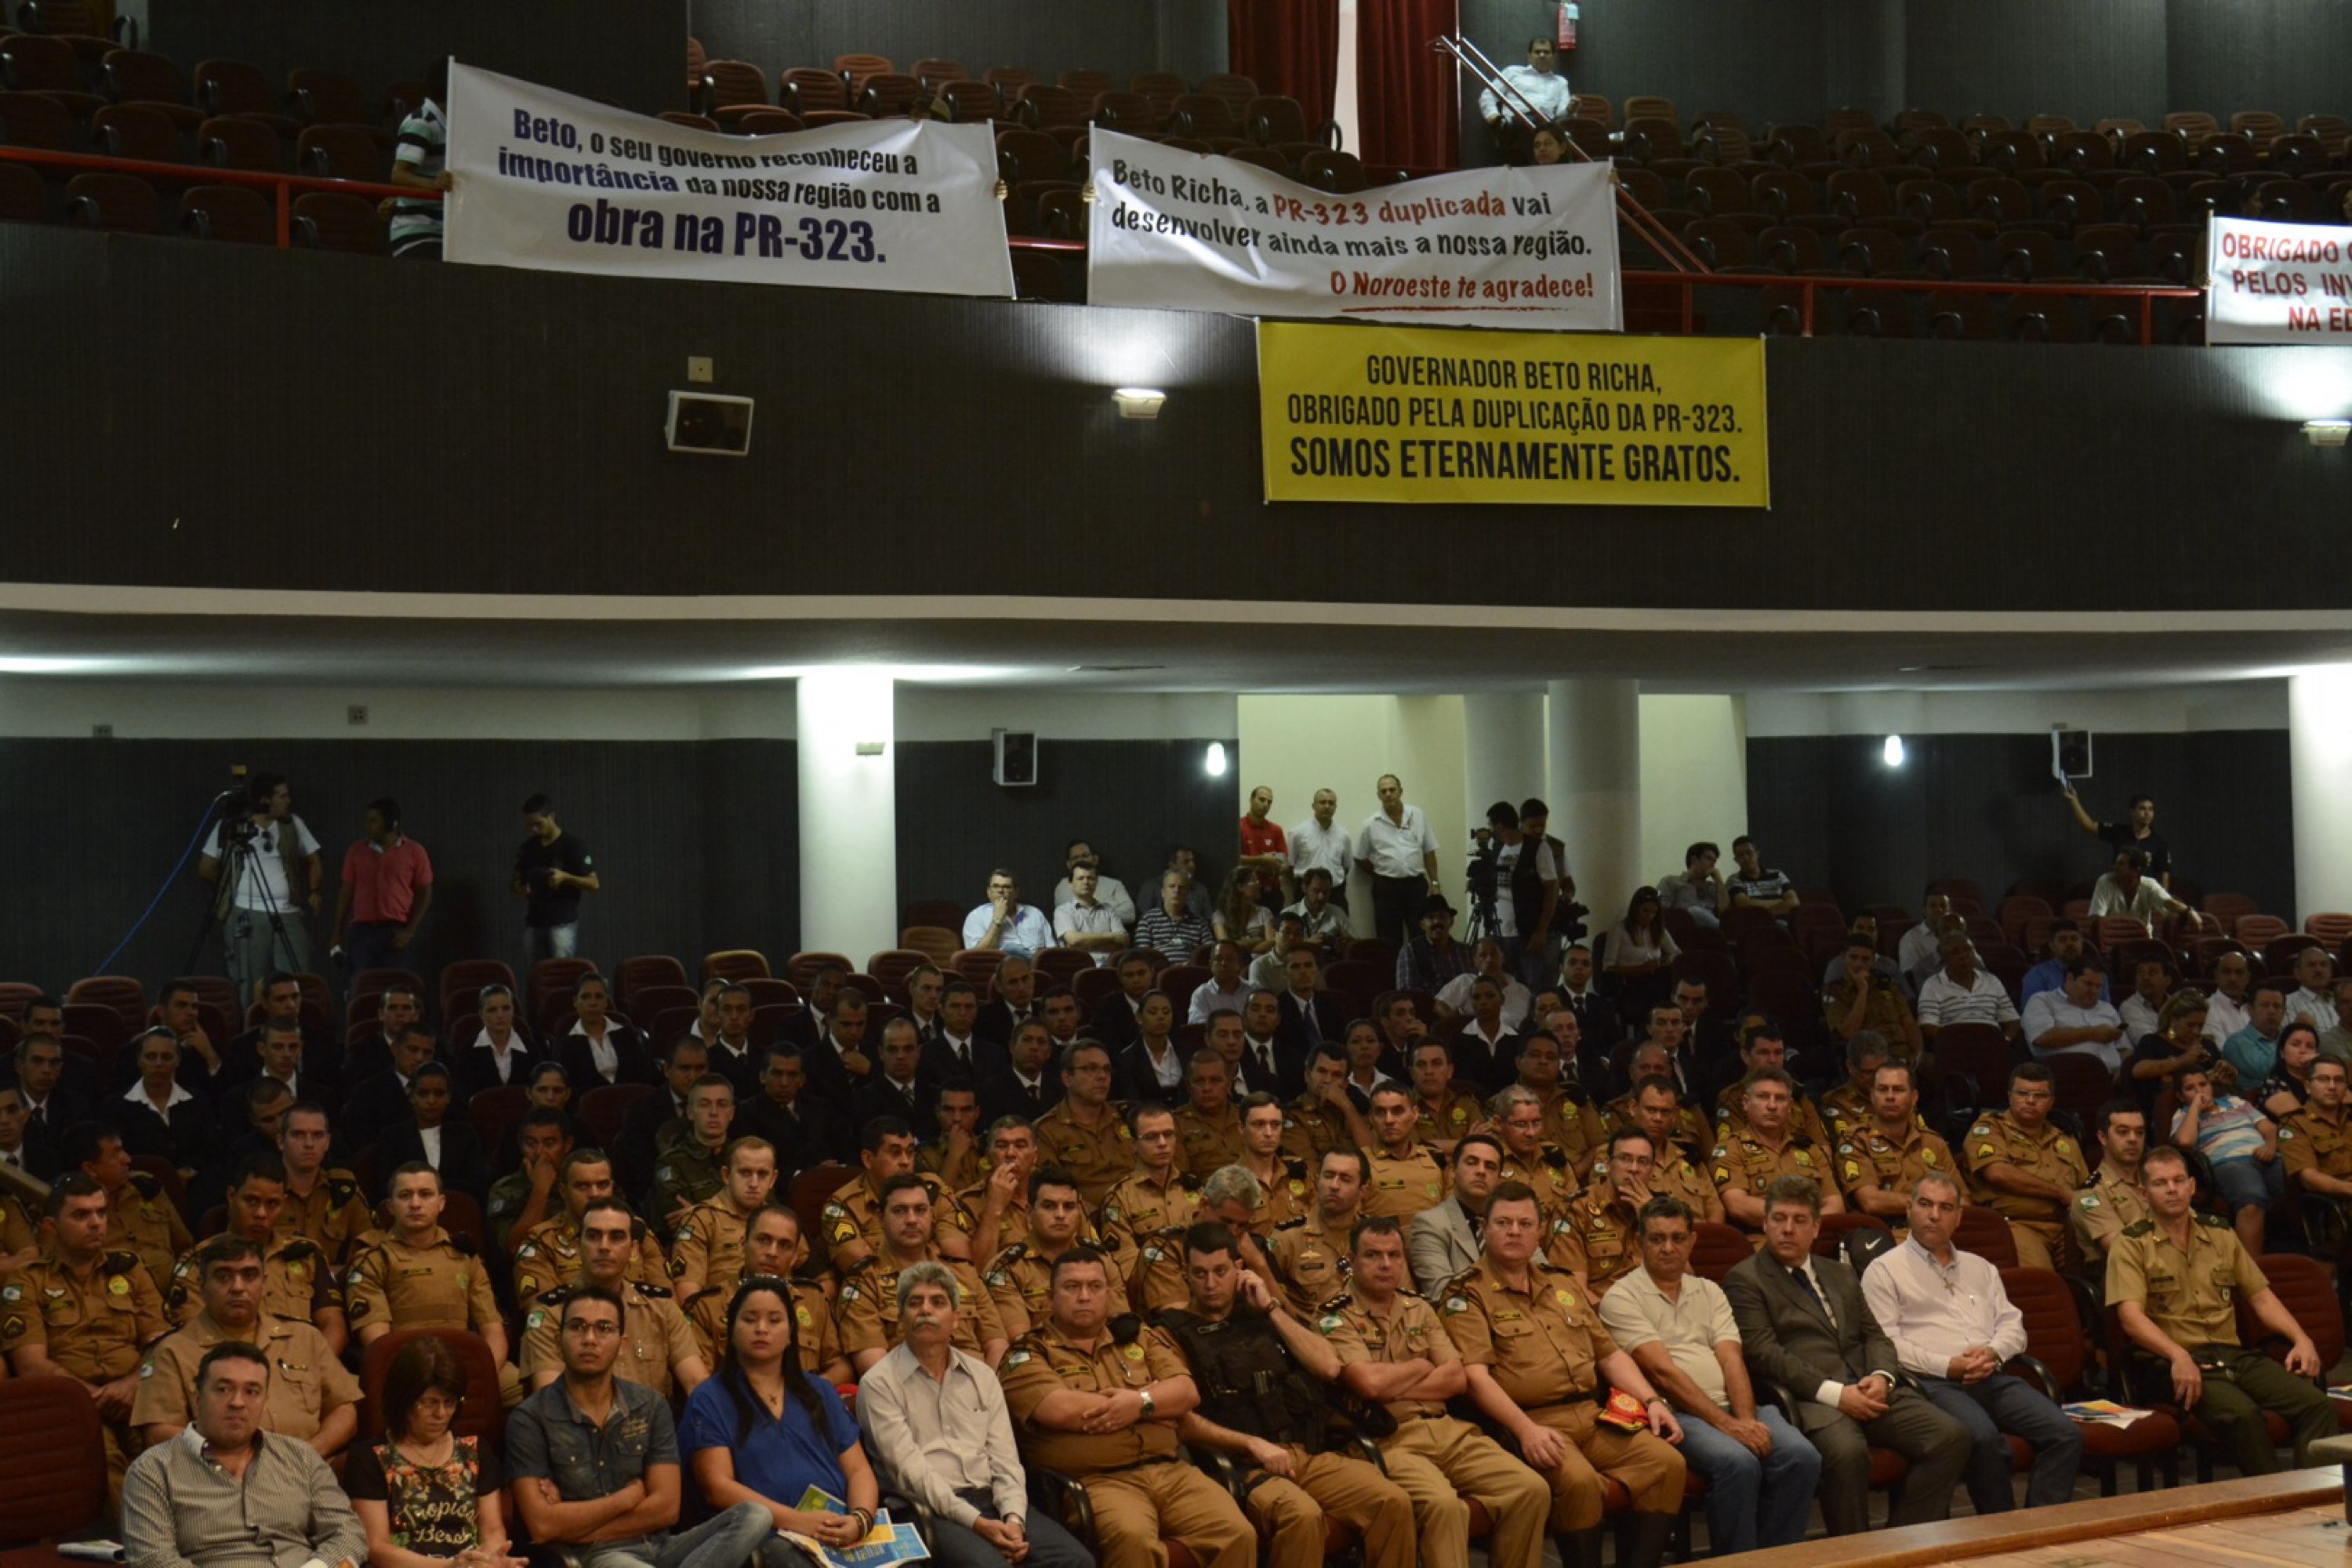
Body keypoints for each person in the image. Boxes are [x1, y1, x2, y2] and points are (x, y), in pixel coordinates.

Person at [1439, 1179, 1684, 1568]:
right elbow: (1476, 1379)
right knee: (1580, 1482)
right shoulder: (1465, 1293)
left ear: (1540, 1231)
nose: (1515, 1232)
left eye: (1525, 1224)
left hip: (1593, 1415)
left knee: (1667, 1464)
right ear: (1483, 1229)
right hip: (1529, 1422)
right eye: (1503, 1223)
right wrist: (1525, 1431)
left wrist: (1653, 1400)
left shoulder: (1562, 1283)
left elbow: (1609, 1355)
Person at [1157, 1221, 1415, 1568]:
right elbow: (1183, 1422)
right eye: (1199, 1273)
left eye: (1220, 1271)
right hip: (1240, 1467)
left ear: (1238, 1269)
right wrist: (1251, 1444)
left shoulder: (1260, 1313)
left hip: (1301, 1453)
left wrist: (1271, 1308)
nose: (1211, 1284)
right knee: (1302, 1516)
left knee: (1392, 1500)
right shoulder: (1172, 1331)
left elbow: (1329, 1367)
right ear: (1185, 1275)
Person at [1723, 1174, 1968, 1535]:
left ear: (1816, 1228)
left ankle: (1901, 1545)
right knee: (1848, 1453)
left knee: (1952, 1436)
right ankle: (1854, 1551)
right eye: (1779, 1219)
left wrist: (1882, 1377)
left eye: (1799, 1220)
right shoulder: (1745, 1279)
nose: (1788, 1229)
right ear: (1765, 1223)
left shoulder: (1840, 1273)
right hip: (1811, 1398)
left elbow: (1876, 1336)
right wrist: (1837, 1394)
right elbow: (1765, 1354)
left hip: (1869, 1387)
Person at [1317, 1214, 1552, 1568]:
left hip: (1447, 1431)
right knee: (1444, 1505)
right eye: (1373, 1255)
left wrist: (1392, 1384)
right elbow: (1369, 1384)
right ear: (1352, 1260)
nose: (1386, 1264)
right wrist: (1420, 1365)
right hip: (1387, 1440)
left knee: (1530, 1489)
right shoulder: (1334, 1316)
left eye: (1394, 1255)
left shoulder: (1419, 1308)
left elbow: (1456, 1379)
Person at [998, 1247, 1257, 1568]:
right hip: (1097, 1482)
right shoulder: (1028, 1353)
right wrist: (1156, 1404)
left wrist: (1137, 1404)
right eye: (1072, 1287)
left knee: (1237, 1532)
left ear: (1108, 1294)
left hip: (1171, 1471)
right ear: (1050, 1297)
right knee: (1134, 1539)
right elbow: (1060, 1409)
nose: (1084, 1297)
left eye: (1095, 1287)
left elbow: (1186, 1392)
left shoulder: (1137, 1336)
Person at [1597, 1196, 1820, 1554]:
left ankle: (1777, 1559)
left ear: (1692, 1241)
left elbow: (1732, 1359)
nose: (1668, 1248)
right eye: (1657, 1239)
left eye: (1677, 1238)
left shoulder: (1710, 1290)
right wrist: (1729, 1426)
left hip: (1733, 1406)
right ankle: (1737, 1563)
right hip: (1676, 1414)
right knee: (1738, 1463)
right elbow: (1662, 1373)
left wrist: (1745, 1420)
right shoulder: (1621, 1297)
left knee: (1802, 1457)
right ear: (1639, 1243)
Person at [509, 1283, 775, 1568]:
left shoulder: (649, 1405)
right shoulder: (531, 1418)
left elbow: (667, 1510)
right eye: (577, 1327)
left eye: (604, 1328)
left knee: (755, 1515)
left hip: (662, 1545)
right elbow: (543, 1526)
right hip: (598, 1556)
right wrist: (627, 1498)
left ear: (622, 1344)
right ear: (558, 1340)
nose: (589, 1339)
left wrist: (572, 1524)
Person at [1861, 1174, 2082, 1513]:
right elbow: (1886, 1343)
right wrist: (1947, 1365)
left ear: (1959, 1217)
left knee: (2064, 1434)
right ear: (1909, 1210)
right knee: (1983, 1439)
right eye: (1925, 1205)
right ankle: (2001, 1527)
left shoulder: (1981, 1267)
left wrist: (1993, 1352)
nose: (1934, 1215)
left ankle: (2038, 1526)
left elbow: (2012, 1324)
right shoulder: (1884, 1270)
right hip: (1932, 1384)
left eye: (1946, 1208)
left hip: (1991, 1376)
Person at [2108, 1145, 2333, 1475]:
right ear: (2144, 1193)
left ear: (2192, 1187)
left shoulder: (2220, 1233)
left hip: (2232, 1355)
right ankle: (2273, 1498)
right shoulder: (2131, 1244)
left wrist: (2301, 1338)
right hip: (2173, 1362)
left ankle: (2315, 1497)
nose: (2171, 1189)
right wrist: (2177, 1355)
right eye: (2160, 1183)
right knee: (2243, 1415)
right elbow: (2130, 1317)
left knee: (2317, 1405)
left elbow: (2261, 1298)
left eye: (2178, 1180)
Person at [858, 1260, 1094, 1568]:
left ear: (956, 1319)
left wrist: (1014, 1520)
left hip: (992, 1501)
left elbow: (1005, 1460)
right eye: (915, 1303)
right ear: (901, 1317)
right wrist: (978, 1524)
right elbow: (911, 1474)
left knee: (1076, 1561)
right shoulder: (879, 1384)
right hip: (926, 1510)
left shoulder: (982, 1376)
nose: (926, 1310)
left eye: (938, 1302)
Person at [122, 1341, 368, 1568]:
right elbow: (153, 1559)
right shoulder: (153, 1469)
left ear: (265, 1402)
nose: (238, 1402)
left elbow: (348, 1535)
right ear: (197, 1400)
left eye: (251, 1392)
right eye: (223, 1389)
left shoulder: (301, 1457)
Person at [5, 1173, 169, 1493]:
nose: (95, 1223)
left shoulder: (130, 1269)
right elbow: (31, 1365)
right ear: (51, 1227)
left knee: (175, 1453)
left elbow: (161, 1344)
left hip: (138, 1395)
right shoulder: (28, 1281)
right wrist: (94, 1398)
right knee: (105, 1467)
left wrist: (130, 1385)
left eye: (101, 1213)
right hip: (73, 1406)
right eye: (81, 1215)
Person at [350, 1163, 521, 1405]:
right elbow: (379, 1346)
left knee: (531, 1392)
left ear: (441, 1203)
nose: (415, 1204)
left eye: (425, 1194)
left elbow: (493, 1330)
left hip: (465, 1367)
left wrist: (482, 1374)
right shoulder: (373, 1260)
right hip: (403, 1371)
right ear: (390, 1207)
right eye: (405, 1196)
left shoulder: (465, 1256)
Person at [350, 1335, 519, 1568]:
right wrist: (450, 1567)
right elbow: (377, 1548)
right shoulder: (371, 1457)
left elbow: (492, 1531)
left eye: (449, 1402)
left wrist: (489, 1560)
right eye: (429, 1403)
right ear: (403, 1401)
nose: (441, 1414)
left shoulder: (475, 1451)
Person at [520, 1198, 710, 1399]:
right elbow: (550, 1402)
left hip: (650, 1419)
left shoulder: (662, 1308)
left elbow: (696, 1383)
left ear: (634, 1249)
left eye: (616, 1237)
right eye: (593, 1236)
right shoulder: (549, 1312)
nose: (604, 1246)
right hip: (577, 1420)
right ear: (578, 1245)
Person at [838, 1174, 1006, 1372]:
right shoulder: (864, 1282)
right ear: (881, 1218)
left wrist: (987, 1386)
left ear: (932, 1216)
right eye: (899, 1211)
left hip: (976, 1383)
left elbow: (997, 1345)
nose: (911, 1220)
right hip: (906, 1386)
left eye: (920, 1210)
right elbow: (875, 1367)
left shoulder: (965, 1274)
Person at [199, 773, 322, 1007]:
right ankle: (252, 1022)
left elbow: (314, 859)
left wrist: (315, 890)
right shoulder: (233, 826)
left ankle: (293, 1021)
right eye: (282, 796)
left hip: (288, 913)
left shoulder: (293, 824)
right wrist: (231, 889)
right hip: (247, 913)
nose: (288, 801)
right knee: (250, 979)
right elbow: (206, 867)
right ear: (265, 800)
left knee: (297, 977)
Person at [1962, 1063, 2089, 1271]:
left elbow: (2085, 1188)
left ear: (2051, 1102)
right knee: (2040, 1280)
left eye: (2040, 1096)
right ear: (2009, 1096)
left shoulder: (2064, 1139)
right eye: (2022, 1094)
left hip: (2067, 1228)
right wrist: (2060, 1193)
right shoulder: (1990, 1129)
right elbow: (1998, 1173)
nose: (2030, 1101)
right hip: (2017, 1225)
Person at [2170, 1064, 2281, 1253]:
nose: (2199, 1091)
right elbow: (2185, 1142)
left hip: (2264, 1155)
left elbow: (2270, 1129)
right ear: (2181, 1096)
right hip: (2230, 1163)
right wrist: (2195, 1107)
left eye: (2203, 1084)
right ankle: (2250, 1268)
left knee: (2300, 1183)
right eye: (2190, 1088)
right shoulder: (2183, 1115)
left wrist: (2270, 1146)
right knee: (2252, 1199)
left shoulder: (2235, 1102)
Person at [1836, 1061, 1956, 1225]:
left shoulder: (1934, 1142)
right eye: (1882, 1089)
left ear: (1914, 1098)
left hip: (1934, 1229)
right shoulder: (1856, 1140)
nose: (1890, 1097)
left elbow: (1962, 1199)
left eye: (1898, 1089)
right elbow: (1871, 1202)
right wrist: (1931, 1202)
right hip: (1884, 1232)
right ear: (1872, 1096)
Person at [332, 797, 434, 976]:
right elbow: (346, 891)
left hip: (395, 931)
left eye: (373, 821)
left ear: (391, 823)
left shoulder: (415, 851)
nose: (367, 825)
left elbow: (425, 893)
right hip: (362, 932)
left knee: (394, 983)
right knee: (360, 983)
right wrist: (338, 931)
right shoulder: (356, 851)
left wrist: (410, 931)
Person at [1032, 1041, 1134, 1207]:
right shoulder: (1047, 1130)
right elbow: (1051, 1192)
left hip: (1143, 1210)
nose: (1102, 1076)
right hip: (1086, 1216)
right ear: (1067, 1078)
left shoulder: (1127, 1117)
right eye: (1091, 1069)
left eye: (1106, 1069)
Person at [379, 1062, 492, 1203]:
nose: (431, 1101)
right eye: (423, 1094)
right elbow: (389, 1186)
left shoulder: (465, 1135)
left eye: (439, 1094)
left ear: (448, 1097)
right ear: (412, 1096)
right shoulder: (393, 1137)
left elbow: (477, 1184)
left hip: (457, 1208)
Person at [511, 793, 599, 964]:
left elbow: (594, 884)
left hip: (562, 924)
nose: (534, 829)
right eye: (530, 825)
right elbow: (515, 880)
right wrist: (519, 888)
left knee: (561, 973)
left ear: (551, 817)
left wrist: (565, 877)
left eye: (538, 824)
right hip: (534, 923)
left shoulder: (573, 846)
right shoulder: (528, 848)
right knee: (536, 974)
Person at [1356, 773, 1442, 947]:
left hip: (1416, 886)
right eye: (1384, 791)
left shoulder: (1418, 815)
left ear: (1400, 791)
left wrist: (1435, 883)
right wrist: (1380, 874)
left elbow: (1429, 851)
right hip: (1386, 889)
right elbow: (1360, 858)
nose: (1388, 794)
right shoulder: (1370, 824)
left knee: (1421, 935)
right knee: (1388, 939)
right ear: (1378, 795)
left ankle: (1419, 966)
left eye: (1392, 790)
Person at [1406, 1131, 1500, 1293]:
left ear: (1499, 1179)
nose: (1481, 1171)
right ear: (1452, 1172)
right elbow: (1441, 1292)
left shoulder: (1513, 1223)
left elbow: (1542, 1277)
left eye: (1490, 1166)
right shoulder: (1430, 1224)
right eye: (1472, 1163)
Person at [118, 1028, 219, 1175]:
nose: (158, 1064)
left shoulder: (198, 1101)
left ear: (178, 1060)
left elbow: (212, 1149)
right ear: (139, 1060)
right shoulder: (116, 1106)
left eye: (166, 1057)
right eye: (151, 1057)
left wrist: (190, 1171)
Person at [1823, 932, 1924, 1059]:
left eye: (1865, 959)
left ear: (1872, 961)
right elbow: (1848, 1033)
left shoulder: (1887, 983)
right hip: (1871, 1057)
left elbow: (1908, 1022)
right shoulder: (1834, 990)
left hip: (1903, 1051)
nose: (1859, 964)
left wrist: (1917, 1055)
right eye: (1854, 958)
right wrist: (1863, 991)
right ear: (1843, 957)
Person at [2072, 1098, 2151, 1260]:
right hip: (2123, 1271)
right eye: (2123, 1132)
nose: (2133, 1139)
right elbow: (2122, 1250)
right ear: (2103, 1138)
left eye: (2139, 1132)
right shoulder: (2089, 1195)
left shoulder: (2155, 1180)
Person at [1916, 933, 2023, 1047]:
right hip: (1954, 1047)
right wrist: (1956, 1043)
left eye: (1968, 950)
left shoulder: (1992, 981)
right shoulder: (1932, 985)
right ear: (1944, 959)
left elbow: (2013, 1020)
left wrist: (2005, 1041)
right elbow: (1928, 1026)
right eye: (1955, 953)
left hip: (1993, 1045)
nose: (1963, 956)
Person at [2024, 958, 2128, 1074]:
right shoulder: (2042, 1000)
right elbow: (2043, 1039)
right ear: (2070, 979)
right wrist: (2093, 1033)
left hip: (2113, 1077)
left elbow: (2125, 1048)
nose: (2094, 991)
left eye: (2098, 986)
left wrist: (2124, 1071)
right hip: (2066, 1076)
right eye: (2088, 984)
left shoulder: (2107, 1008)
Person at [1477, 36, 1573, 154]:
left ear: (1554, 57)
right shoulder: (1513, 72)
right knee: (1542, 134)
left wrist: (1570, 109)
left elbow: (1561, 116)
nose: (1542, 55)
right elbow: (1488, 95)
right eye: (1537, 52)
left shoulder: (1561, 82)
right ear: (1529, 56)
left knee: (1565, 136)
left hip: (1546, 124)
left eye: (1546, 52)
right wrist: (1494, 116)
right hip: (1515, 123)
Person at [2063, 783, 2170, 887]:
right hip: (2117, 889)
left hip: (2144, 893)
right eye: (2142, 809)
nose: (2147, 813)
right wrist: (2074, 800)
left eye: (2151, 809)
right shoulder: (2119, 832)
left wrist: (2163, 898)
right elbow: (2089, 825)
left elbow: (2164, 875)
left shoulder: (2159, 842)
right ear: (2132, 812)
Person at [1602, 887, 1679, 1022]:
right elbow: (1608, 967)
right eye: (1645, 911)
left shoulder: (1658, 929)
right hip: (1630, 982)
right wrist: (1640, 969)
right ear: (1635, 908)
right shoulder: (1619, 930)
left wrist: (1665, 961)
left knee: (1669, 978)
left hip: (1655, 978)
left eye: (1654, 912)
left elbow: (1676, 953)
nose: (1649, 916)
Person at [2088, 848, 2184, 935]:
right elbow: (2096, 919)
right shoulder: (2105, 882)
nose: (2115, 867)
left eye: (2121, 864)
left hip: (2142, 941)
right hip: (2112, 939)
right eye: (2116, 863)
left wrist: (2188, 912)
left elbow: (2169, 903)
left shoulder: (2149, 885)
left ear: (2136, 870)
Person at [1053, 860, 1131, 960]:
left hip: (1110, 966)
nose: (1086, 882)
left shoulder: (1109, 910)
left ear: (1096, 883)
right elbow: (1074, 940)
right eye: (1080, 878)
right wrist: (1111, 937)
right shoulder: (1063, 911)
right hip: (1079, 966)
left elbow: (1124, 941)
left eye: (1090, 878)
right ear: (1071, 884)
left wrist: (1085, 942)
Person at [965, 868, 1054, 956]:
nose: (1000, 891)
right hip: (1001, 963)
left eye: (1007, 887)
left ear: (1016, 893)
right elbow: (977, 956)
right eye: (995, 886)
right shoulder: (976, 917)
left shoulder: (1035, 913)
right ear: (989, 892)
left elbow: (1051, 950)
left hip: (1034, 963)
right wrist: (997, 920)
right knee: (1011, 949)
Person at [1134, 871, 1213, 964]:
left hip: (1190, 970)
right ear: (1163, 892)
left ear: (1188, 894)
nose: (1177, 891)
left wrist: (1189, 964)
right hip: (1158, 970)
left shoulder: (1200, 923)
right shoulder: (1148, 919)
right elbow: (1142, 954)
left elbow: (1210, 953)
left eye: (1181, 887)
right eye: (1172, 886)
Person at [1657, 841, 1726, 929]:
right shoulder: (1671, 882)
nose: (1712, 864)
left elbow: (1725, 913)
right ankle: (1726, 929)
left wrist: (1719, 881)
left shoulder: (1714, 887)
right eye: (1708, 859)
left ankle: (1724, 929)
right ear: (1694, 860)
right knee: (1694, 911)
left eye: (1714, 861)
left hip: (1710, 932)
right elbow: (1660, 911)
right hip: (1683, 929)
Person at [1212, 865, 1274, 953]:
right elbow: (1225, 945)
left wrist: (1245, 951)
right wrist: (1258, 940)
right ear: (1240, 887)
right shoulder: (1220, 915)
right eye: (1254, 881)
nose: (1259, 885)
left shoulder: (1264, 912)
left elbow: (1271, 942)